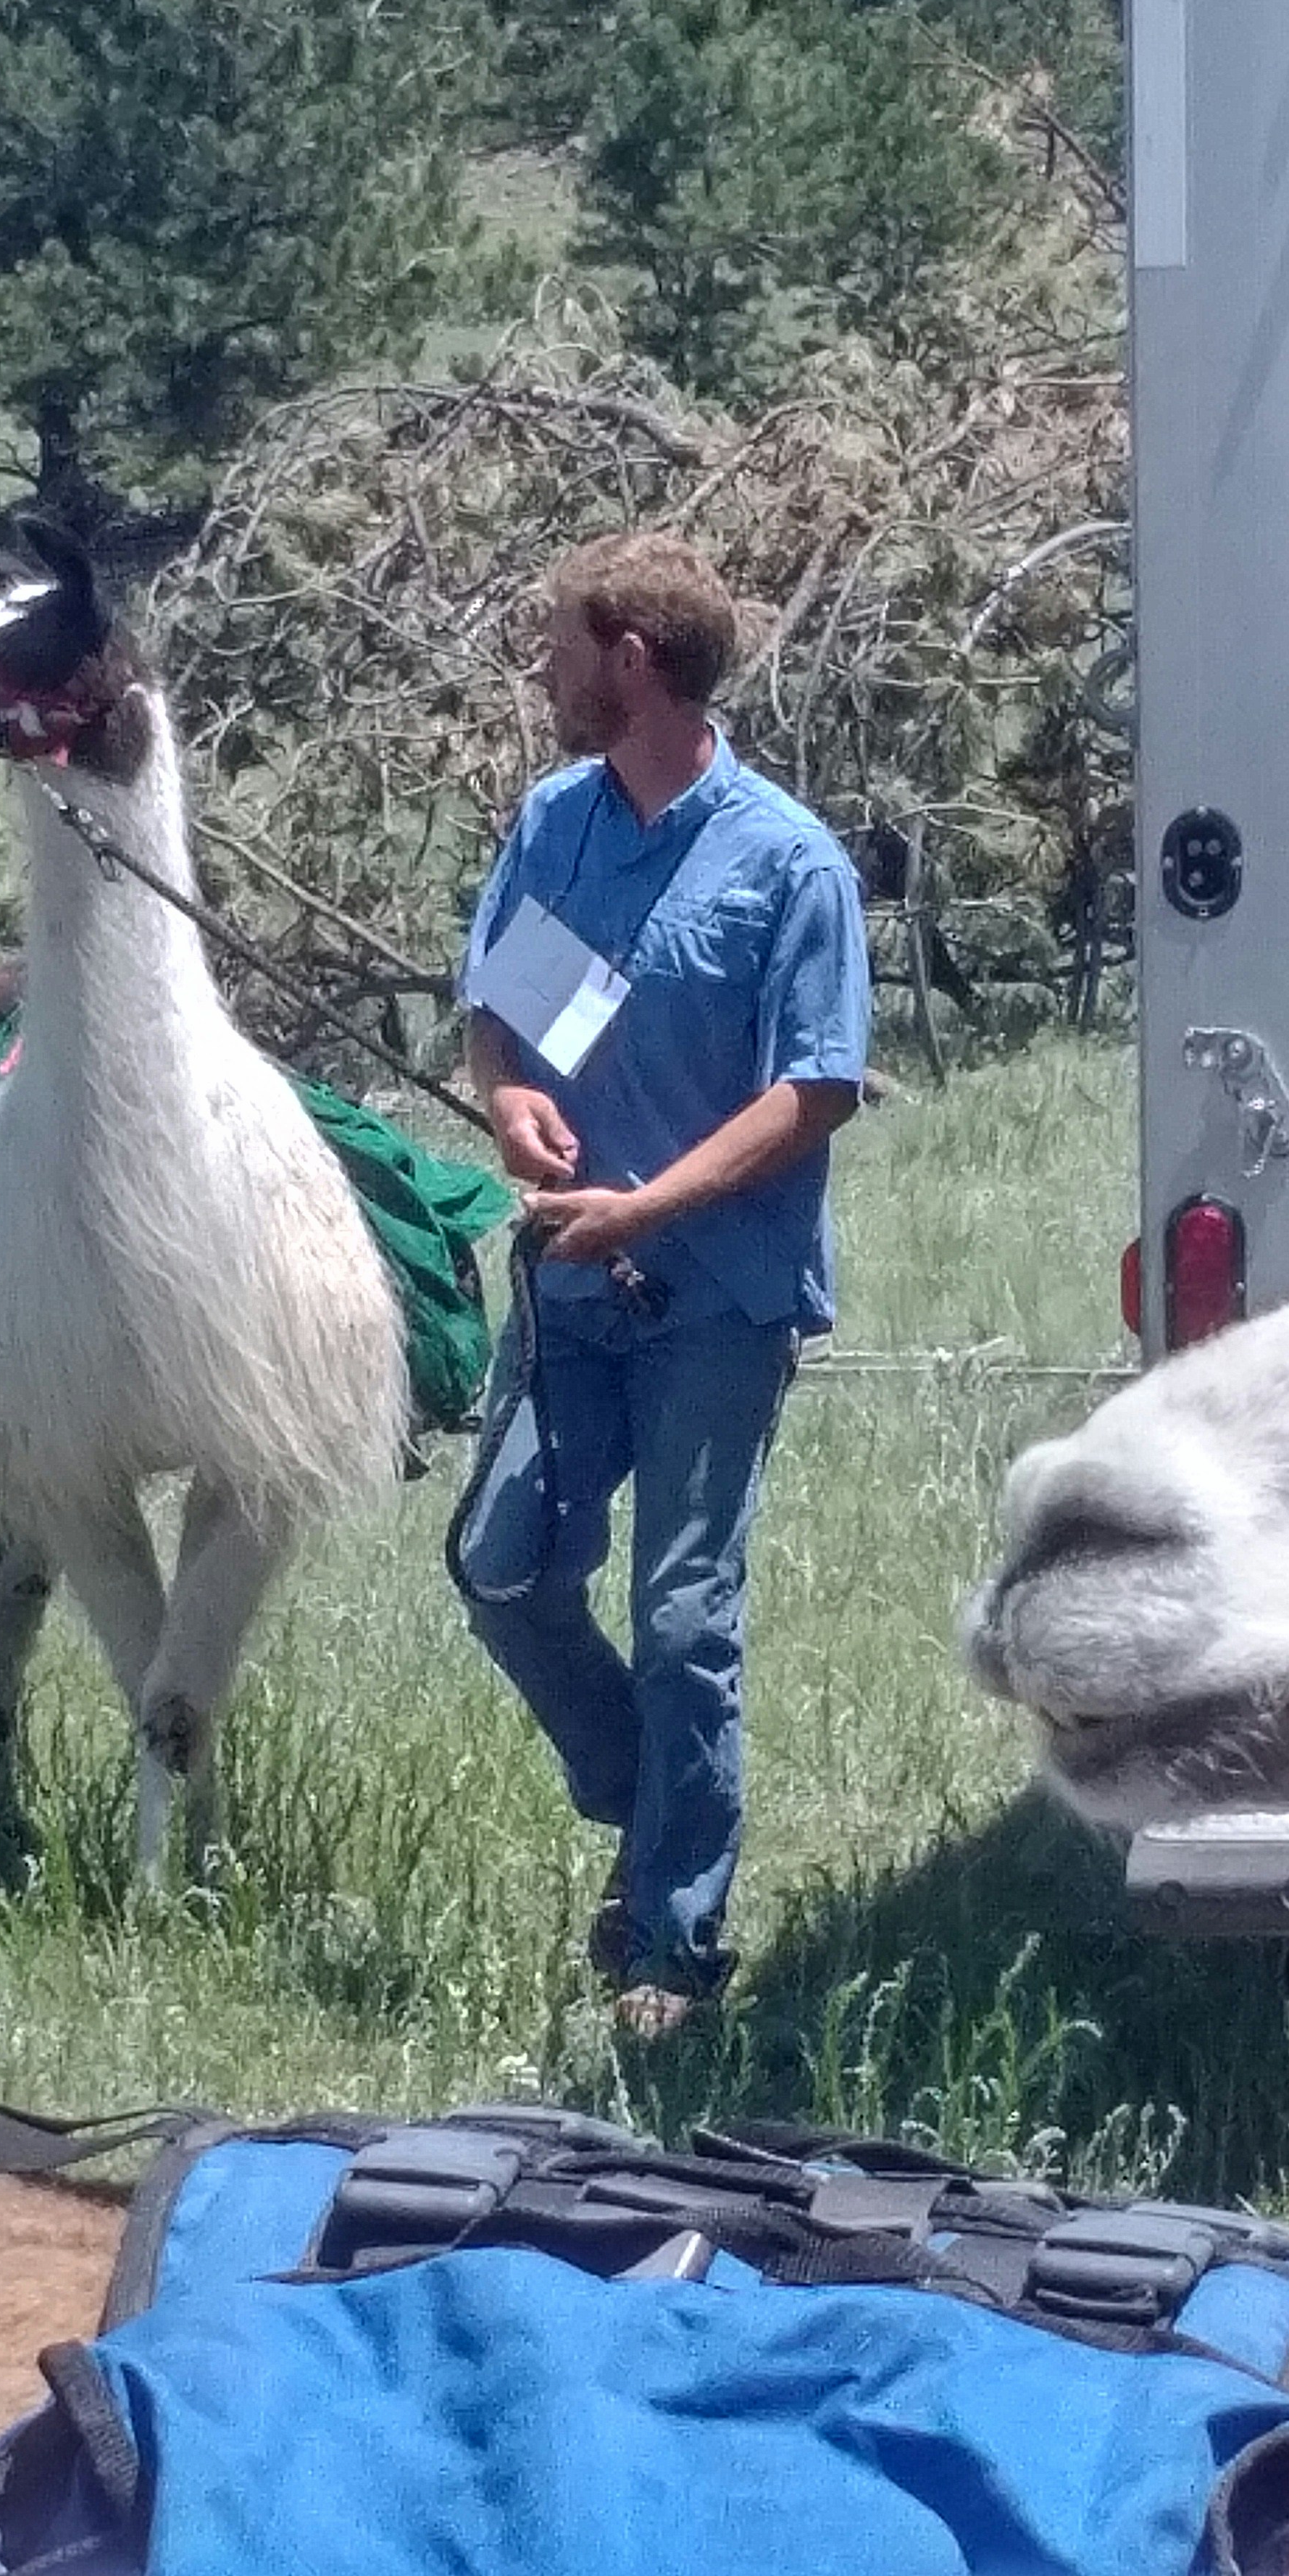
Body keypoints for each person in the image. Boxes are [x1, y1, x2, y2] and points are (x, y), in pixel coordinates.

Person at [451, 532, 871, 2038]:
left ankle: (672, 1949)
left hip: (719, 1298)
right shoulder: (556, 824)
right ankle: (649, 1804)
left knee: (688, 1616)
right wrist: (508, 1106)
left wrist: (649, 1207)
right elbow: (499, 1018)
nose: (543, 674)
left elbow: (813, 1091)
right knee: (501, 1572)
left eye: (561, 646)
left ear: (632, 660)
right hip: (567, 1292)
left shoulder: (787, 862)